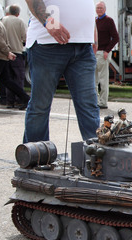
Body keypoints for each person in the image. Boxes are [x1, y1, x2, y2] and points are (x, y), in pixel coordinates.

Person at [23, 0, 100, 143]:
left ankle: (97, 155)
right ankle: (36, 155)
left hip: (83, 46)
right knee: (41, 105)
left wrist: (92, 33)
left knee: (89, 105)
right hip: (46, 44)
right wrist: (49, 23)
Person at [0, 10, 30, 110]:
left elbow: (0, 42)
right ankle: (26, 98)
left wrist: (8, 52)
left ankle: (26, 98)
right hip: (2, 56)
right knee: (7, 81)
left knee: (7, 80)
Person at [94, 1, 119, 109]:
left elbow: (116, 38)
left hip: (103, 53)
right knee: (93, 80)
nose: (99, 10)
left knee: (103, 79)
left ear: (105, 9)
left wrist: (107, 51)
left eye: (101, 8)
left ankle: (103, 102)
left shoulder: (109, 21)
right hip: (94, 52)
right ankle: (94, 101)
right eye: (97, 8)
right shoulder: (95, 21)